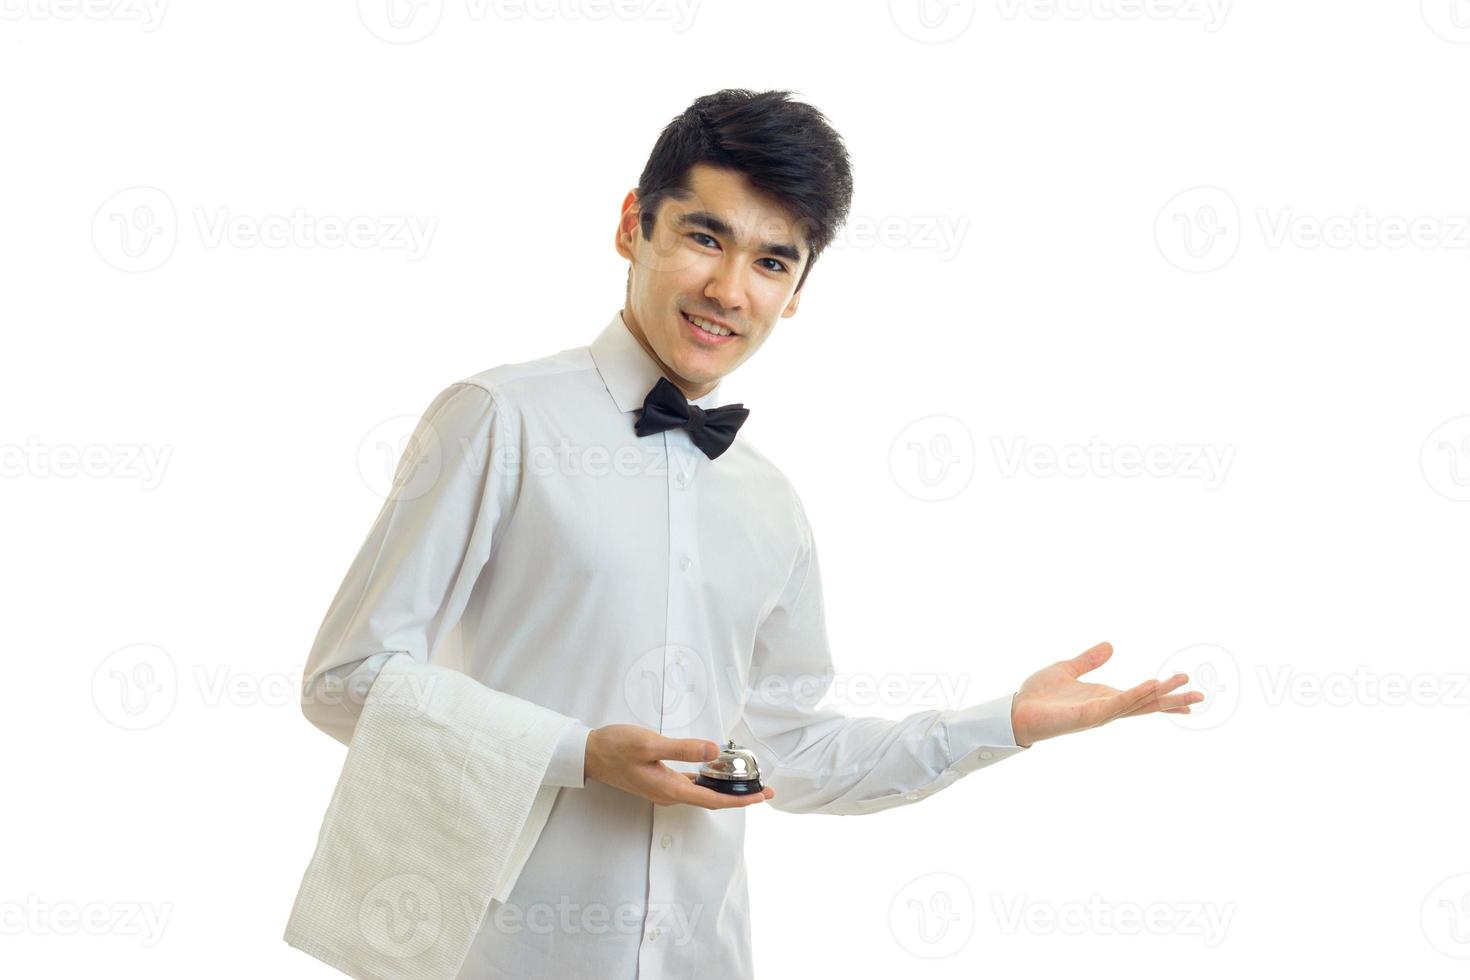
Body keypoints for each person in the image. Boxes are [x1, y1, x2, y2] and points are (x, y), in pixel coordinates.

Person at [298, 87, 1202, 980]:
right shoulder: (497, 418)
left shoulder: (772, 505)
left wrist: (1003, 722)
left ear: (798, 291)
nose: (730, 291)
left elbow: (793, 755)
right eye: (704, 237)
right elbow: (346, 681)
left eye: (773, 262)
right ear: (631, 227)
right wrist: (582, 756)